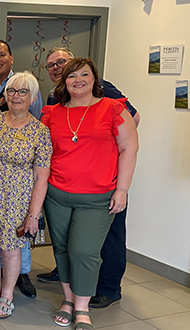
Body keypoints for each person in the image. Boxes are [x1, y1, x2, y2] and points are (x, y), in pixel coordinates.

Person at [38, 48, 140, 310]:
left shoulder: (111, 102)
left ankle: (102, 292)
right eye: (69, 75)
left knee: (89, 248)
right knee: (64, 247)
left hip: (100, 193)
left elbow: (130, 142)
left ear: (95, 78)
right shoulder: (53, 107)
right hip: (58, 193)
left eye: (83, 74)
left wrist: (122, 188)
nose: (76, 79)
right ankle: (70, 296)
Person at [0, 72, 52, 319]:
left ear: (33, 97)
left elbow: (41, 177)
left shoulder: (40, 131)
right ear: (5, 95)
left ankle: (7, 296)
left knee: (11, 248)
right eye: (12, 91)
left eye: (23, 91)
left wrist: (33, 215)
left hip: (18, 199)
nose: (16, 96)